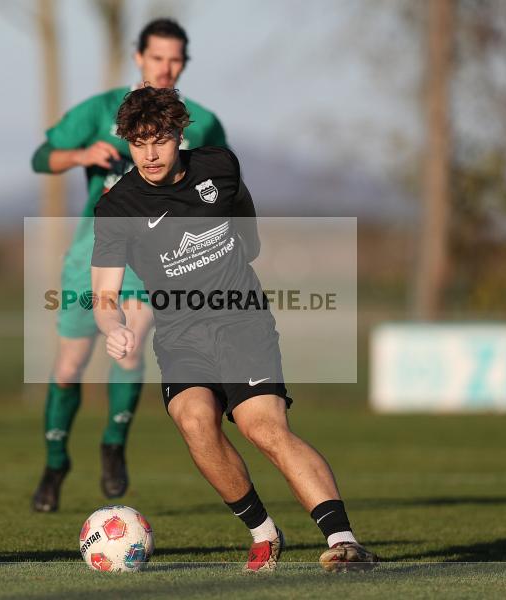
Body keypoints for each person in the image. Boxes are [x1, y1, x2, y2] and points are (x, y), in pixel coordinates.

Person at [90, 86, 379, 572]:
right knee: (195, 423)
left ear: (179, 134)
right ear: (127, 145)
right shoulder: (118, 207)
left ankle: (344, 541)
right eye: (138, 143)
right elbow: (104, 294)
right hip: (181, 336)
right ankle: (265, 533)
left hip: (241, 319)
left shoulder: (219, 167)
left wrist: (244, 248)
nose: (150, 153)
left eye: (159, 139)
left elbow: (245, 224)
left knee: (262, 427)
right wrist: (112, 326)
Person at [29, 19, 227, 512]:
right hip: (90, 252)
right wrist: (77, 154)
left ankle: (113, 446)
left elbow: (217, 188)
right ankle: (55, 462)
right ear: (139, 57)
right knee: (70, 364)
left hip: (151, 256)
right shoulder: (100, 110)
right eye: (157, 57)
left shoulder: (203, 121)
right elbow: (40, 156)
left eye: (175, 59)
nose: (166, 67)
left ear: (184, 63)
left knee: (129, 346)